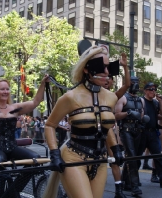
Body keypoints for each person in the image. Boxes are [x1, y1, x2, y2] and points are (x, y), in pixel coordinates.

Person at [43, 45, 124, 198]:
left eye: (108, 67)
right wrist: (54, 153)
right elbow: (50, 125)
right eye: (101, 67)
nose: (106, 73)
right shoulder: (70, 97)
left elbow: (105, 128)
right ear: (86, 69)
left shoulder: (111, 97)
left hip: (100, 161)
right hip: (73, 158)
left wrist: (116, 148)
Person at [0, 75, 49, 197]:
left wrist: (43, 83)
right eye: (2, 89)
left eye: (7, 89)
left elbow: (36, 101)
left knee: (35, 160)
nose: (6, 92)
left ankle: (11, 193)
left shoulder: (14, 108)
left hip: (12, 146)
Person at [102, 53, 130, 198]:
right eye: (104, 79)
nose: (106, 81)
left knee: (115, 159)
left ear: (112, 82)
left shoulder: (113, 96)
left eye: (109, 80)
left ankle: (119, 190)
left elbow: (127, 85)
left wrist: (125, 67)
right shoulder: (91, 94)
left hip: (111, 132)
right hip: (94, 131)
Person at [137, 82, 162, 188]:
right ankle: (131, 180)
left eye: (154, 89)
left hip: (153, 132)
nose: (152, 91)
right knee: (136, 157)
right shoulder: (141, 101)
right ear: (145, 91)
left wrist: (160, 101)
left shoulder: (155, 102)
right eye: (150, 89)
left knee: (158, 156)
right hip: (143, 132)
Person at [115, 76, 148, 197]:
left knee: (134, 157)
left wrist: (143, 118)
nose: (136, 85)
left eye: (137, 82)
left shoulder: (141, 100)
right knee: (132, 157)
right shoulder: (122, 98)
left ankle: (126, 182)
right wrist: (128, 113)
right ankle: (135, 187)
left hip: (138, 130)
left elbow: (142, 113)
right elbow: (116, 115)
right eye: (133, 82)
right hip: (126, 131)